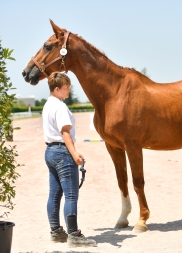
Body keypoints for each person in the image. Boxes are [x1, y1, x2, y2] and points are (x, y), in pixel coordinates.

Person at [43, 72, 96, 247]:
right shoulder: (59, 107)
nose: (69, 90)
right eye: (66, 88)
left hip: (50, 151)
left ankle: (56, 231)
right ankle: (74, 235)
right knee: (71, 195)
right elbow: (65, 132)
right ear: (57, 89)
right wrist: (74, 153)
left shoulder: (48, 105)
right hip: (62, 152)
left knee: (54, 194)